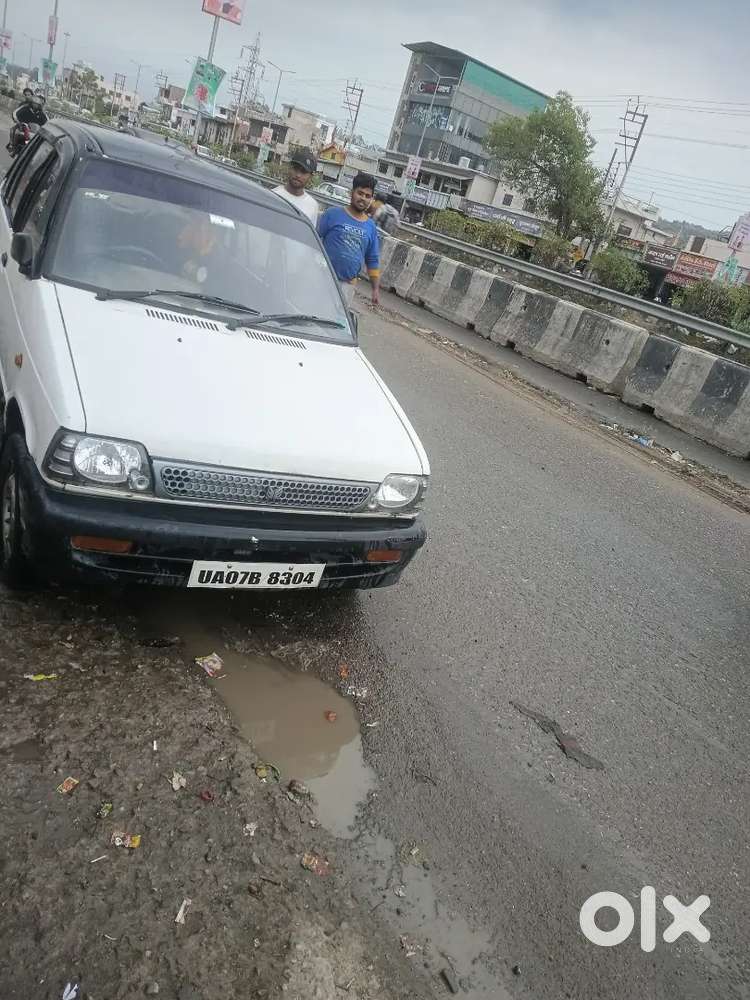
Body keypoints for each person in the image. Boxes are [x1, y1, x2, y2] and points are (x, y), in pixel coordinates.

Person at [317, 172, 380, 308]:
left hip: (347, 286)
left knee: (337, 320)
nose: (363, 198)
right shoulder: (332, 214)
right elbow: (314, 240)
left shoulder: (371, 227)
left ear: (371, 199)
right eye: (360, 193)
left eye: (367, 196)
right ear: (352, 193)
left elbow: (372, 259)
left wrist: (375, 289)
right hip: (322, 279)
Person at [273, 149, 319, 225]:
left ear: (310, 176)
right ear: (290, 168)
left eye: (304, 172)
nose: (298, 175)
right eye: (295, 169)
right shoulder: (274, 195)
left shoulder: (312, 206)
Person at [8, 89, 46, 154]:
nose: (37, 102)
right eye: (36, 99)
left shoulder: (42, 114)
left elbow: (47, 123)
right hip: (23, 127)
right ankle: (12, 146)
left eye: (40, 100)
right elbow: (15, 113)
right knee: (14, 131)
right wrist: (18, 121)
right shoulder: (25, 107)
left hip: (34, 132)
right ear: (33, 99)